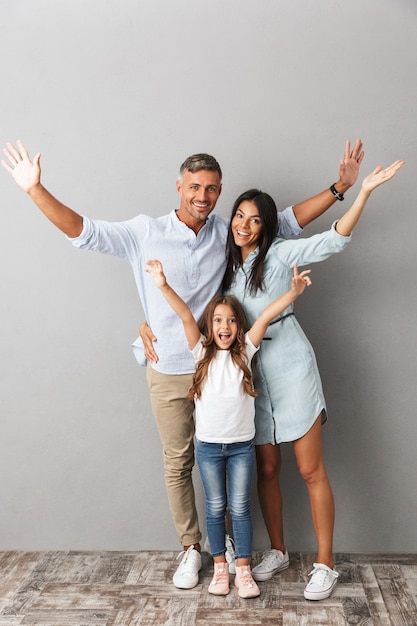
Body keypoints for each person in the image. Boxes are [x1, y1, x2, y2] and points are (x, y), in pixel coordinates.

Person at [2, 138, 364, 590]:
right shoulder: (144, 231)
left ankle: (239, 553)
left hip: (228, 371)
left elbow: (284, 222)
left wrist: (340, 188)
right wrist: (35, 190)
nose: (202, 196)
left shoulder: (225, 233)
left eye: (212, 189)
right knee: (180, 462)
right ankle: (196, 549)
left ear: (219, 192)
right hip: (172, 365)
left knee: (236, 458)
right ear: (178, 187)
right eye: (194, 187)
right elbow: (84, 231)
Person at [220, 159, 404, 600]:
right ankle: (278, 551)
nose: (244, 225)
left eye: (255, 219)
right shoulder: (223, 266)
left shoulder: (280, 252)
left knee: (309, 469)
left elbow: (334, 241)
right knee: (266, 468)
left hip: (290, 364)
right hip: (251, 373)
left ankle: (326, 564)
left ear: (267, 227)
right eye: (239, 216)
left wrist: (362, 192)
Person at [145, 257, 312, 597]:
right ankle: (220, 567)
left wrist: (292, 294)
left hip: (240, 448)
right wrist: (162, 284)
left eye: (231, 320)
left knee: (240, 507)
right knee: (216, 507)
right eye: (218, 320)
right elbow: (184, 315)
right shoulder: (201, 352)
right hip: (208, 447)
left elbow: (265, 316)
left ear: (239, 326)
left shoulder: (245, 351)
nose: (225, 326)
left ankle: (244, 571)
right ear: (211, 324)